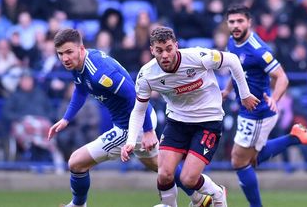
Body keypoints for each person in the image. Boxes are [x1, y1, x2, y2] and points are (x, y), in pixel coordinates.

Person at [48, 28, 212, 207]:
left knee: (76, 162)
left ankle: (78, 205)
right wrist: (66, 119)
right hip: (135, 122)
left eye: (69, 52)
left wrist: (148, 131)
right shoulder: (78, 64)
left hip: (132, 128)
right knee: (161, 166)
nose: (64, 58)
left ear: (81, 49)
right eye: (60, 54)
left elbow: (136, 96)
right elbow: (80, 89)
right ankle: (202, 198)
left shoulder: (101, 73)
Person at [121, 26, 260, 207]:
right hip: (177, 122)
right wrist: (131, 140)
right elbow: (139, 109)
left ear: (176, 46)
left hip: (208, 122)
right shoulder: (147, 75)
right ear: (152, 50)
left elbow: (232, 60)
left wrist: (245, 95)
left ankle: (217, 193)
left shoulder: (197, 57)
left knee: (188, 179)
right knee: (164, 174)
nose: (165, 55)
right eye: (159, 50)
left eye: (169, 49)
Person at [223, 4, 307, 207]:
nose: (235, 25)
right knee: (250, 159)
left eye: (240, 21)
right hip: (247, 109)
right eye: (232, 21)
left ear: (249, 22)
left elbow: (282, 77)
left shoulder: (258, 50)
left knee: (239, 161)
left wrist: (275, 98)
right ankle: (295, 137)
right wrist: (228, 90)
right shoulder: (232, 42)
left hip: (258, 111)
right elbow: (235, 69)